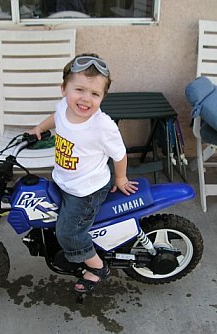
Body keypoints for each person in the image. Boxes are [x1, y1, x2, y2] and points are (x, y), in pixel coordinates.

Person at [29, 53, 138, 294]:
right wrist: (39, 128)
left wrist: (120, 178)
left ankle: (98, 268)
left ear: (102, 97)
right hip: (64, 179)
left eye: (95, 94)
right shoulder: (63, 107)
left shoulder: (102, 125)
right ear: (64, 89)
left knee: (69, 232)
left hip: (87, 190)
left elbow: (119, 154)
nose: (86, 99)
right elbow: (55, 118)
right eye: (79, 90)